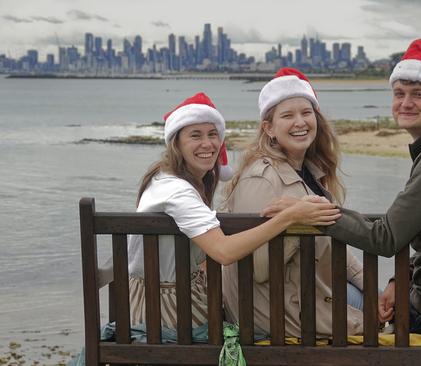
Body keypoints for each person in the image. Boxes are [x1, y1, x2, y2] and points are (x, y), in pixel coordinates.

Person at [264, 40, 421, 333]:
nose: (406, 102)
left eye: (418, 94)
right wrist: (402, 279)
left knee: (352, 310)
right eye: (399, 94)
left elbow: (384, 237)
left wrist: (310, 212)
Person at [103, 92, 341, 331]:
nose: (207, 144)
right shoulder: (177, 192)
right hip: (169, 313)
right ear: (176, 143)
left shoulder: (166, 179)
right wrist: (290, 217)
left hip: (162, 301)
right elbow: (224, 252)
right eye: (195, 135)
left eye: (213, 134)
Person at [221, 68, 365, 339]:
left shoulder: (310, 172)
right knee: (397, 316)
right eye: (287, 115)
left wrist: (370, 286)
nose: (300, 122)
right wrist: (297, 220)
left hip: (308, 294)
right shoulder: (261, 179)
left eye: (306, 113)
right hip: (276, 313)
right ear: (269, 128)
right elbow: (259, 267)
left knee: (383, 300)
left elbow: (335, 246)